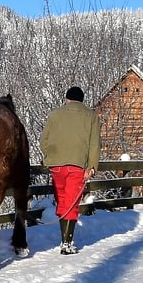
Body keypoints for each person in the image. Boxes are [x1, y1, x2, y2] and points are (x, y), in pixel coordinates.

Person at [39, 85, 100, 255]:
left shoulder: (55, 115)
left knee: (62, 200)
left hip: (56, 165)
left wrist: (50, 155)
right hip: (77, 166)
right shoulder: (91, 116)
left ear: (67, 99)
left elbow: (44, 140)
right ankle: (66, 243)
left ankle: (64, 239)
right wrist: (92, 166)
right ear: (82, 100)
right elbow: (95, 144)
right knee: (72, 203)